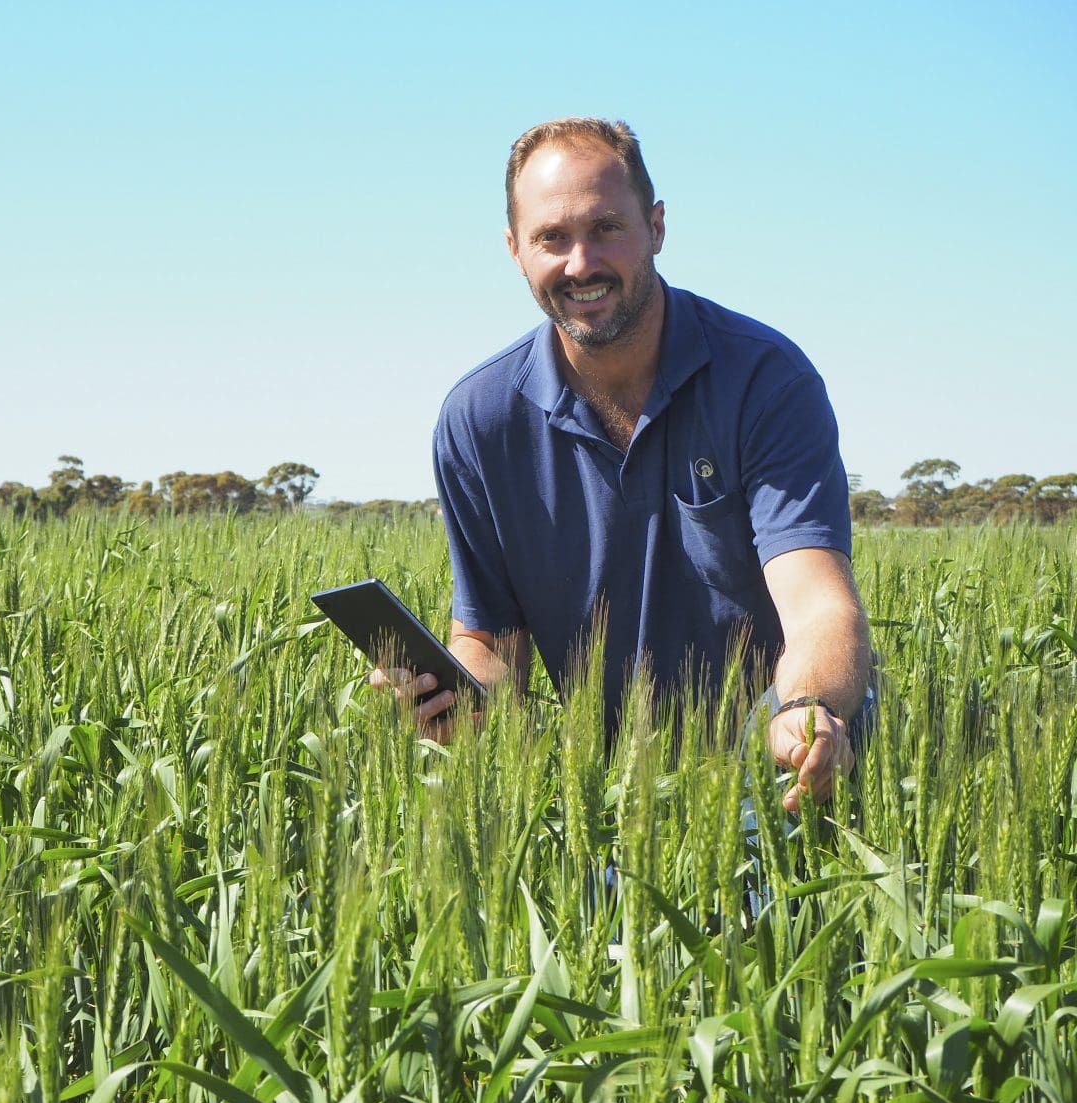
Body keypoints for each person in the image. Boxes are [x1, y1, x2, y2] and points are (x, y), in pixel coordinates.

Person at [373, 118, 871, 813]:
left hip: (778, 755)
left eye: (606, 228)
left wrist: (809, 707)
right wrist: (459, 698)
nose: (580, 263)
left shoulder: (764, 379)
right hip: (612, 792)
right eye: (552, 237)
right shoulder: (479, 420)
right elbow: (491, 643)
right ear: (515, 250)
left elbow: (819, 601)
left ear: (658, 228)